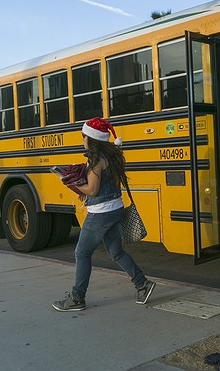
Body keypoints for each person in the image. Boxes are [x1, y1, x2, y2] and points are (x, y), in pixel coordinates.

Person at [52, 117, 155, 312]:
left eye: (83, 136)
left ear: (91, 138)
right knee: (115, 252)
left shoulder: (96, 160)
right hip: (115, 208)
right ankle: (143, 284)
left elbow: (92, 189)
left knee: (82, 253)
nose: (82, 139)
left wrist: (66, 180)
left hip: (101, 214)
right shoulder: (112, 155)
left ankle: (77, 298)